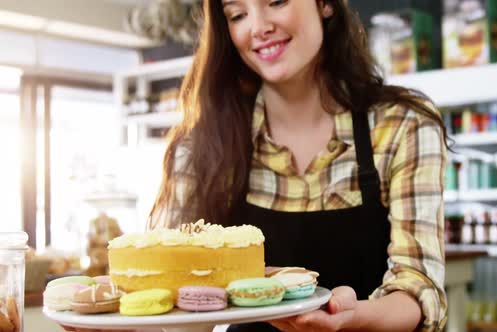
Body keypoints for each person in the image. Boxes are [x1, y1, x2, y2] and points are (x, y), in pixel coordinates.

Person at [70, 0, 448, 331]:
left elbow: (418, 288)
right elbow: (177, 297)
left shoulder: (403, 125)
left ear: (326, 3)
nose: (258, 26)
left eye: (277, 1)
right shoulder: (203, 144)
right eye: (237, 14)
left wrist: (349, 319)